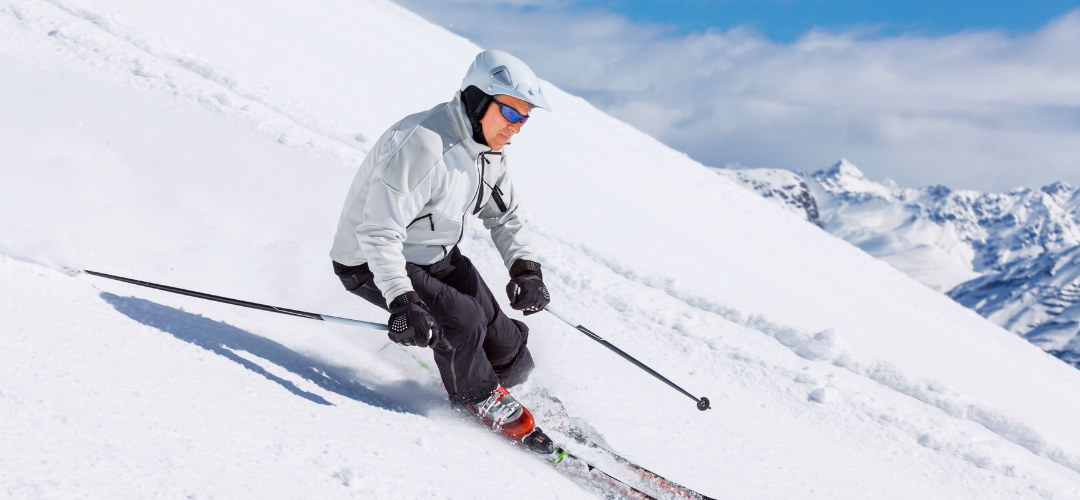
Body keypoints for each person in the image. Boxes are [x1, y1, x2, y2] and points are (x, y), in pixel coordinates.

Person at [330, 50, 553, 449]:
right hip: (370, 259)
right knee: (463, 322)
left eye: (524, 119)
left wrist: (525, 268)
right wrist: (403, 300)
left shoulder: (488, 149)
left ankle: (518, 387)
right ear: (479, 100)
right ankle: (477, 397)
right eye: (511, 113)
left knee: (503, 338)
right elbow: (379, 233)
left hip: (435, 256)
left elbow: (505, 214)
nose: (517, 128)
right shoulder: (422, 145)